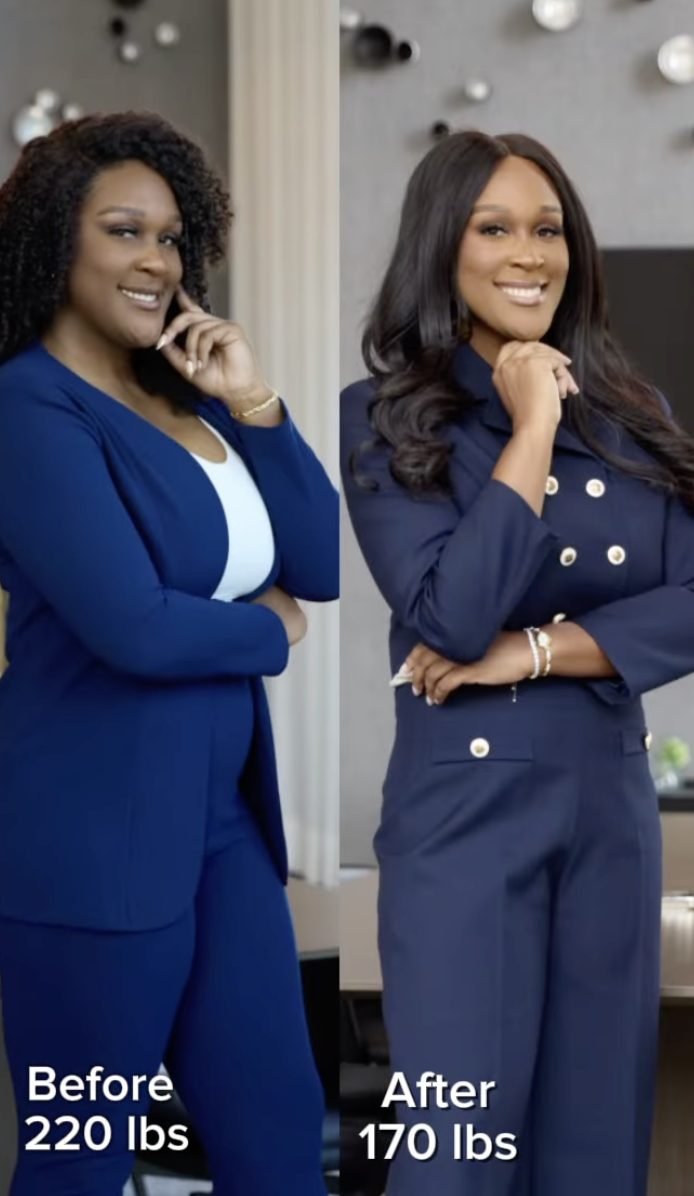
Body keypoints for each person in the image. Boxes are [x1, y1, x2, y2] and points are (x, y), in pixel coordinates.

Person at [0, 110, 338, 1195]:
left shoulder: (182, 395)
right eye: (125, 231)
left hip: (218, 823)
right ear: (50, 241)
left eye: (170, 237)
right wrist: (269, 630)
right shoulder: (24, 409)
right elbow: (132, 623)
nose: (156, 262)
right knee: (85, 1155)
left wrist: (254, 401)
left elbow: (314, 559)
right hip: (85, 828)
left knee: (275, 1125)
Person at [340, 128, 694, 1196]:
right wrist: (535, 417)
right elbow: (451, 615)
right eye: (494, 228)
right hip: (466, 816)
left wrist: (534, 652)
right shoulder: (386, 416)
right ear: (442, 248)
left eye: (547, 228)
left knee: (594, 1154)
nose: (528, 252)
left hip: (609, 810)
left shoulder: (637, 413)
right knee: (459, 1159)